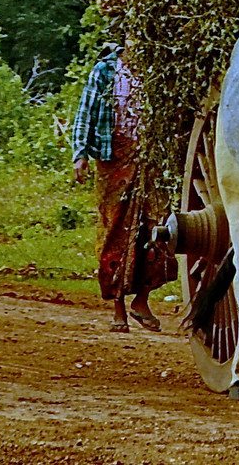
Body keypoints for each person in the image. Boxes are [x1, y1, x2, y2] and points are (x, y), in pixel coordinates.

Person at [71, 43, 170, 332]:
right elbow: (86, 112)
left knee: (157, 226)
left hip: (150, 157)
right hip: (113, 157)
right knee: (115, 228)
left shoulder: (157, 70)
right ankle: (118, 308)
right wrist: (81, 154)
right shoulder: (105, 70)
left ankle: (141, 301)